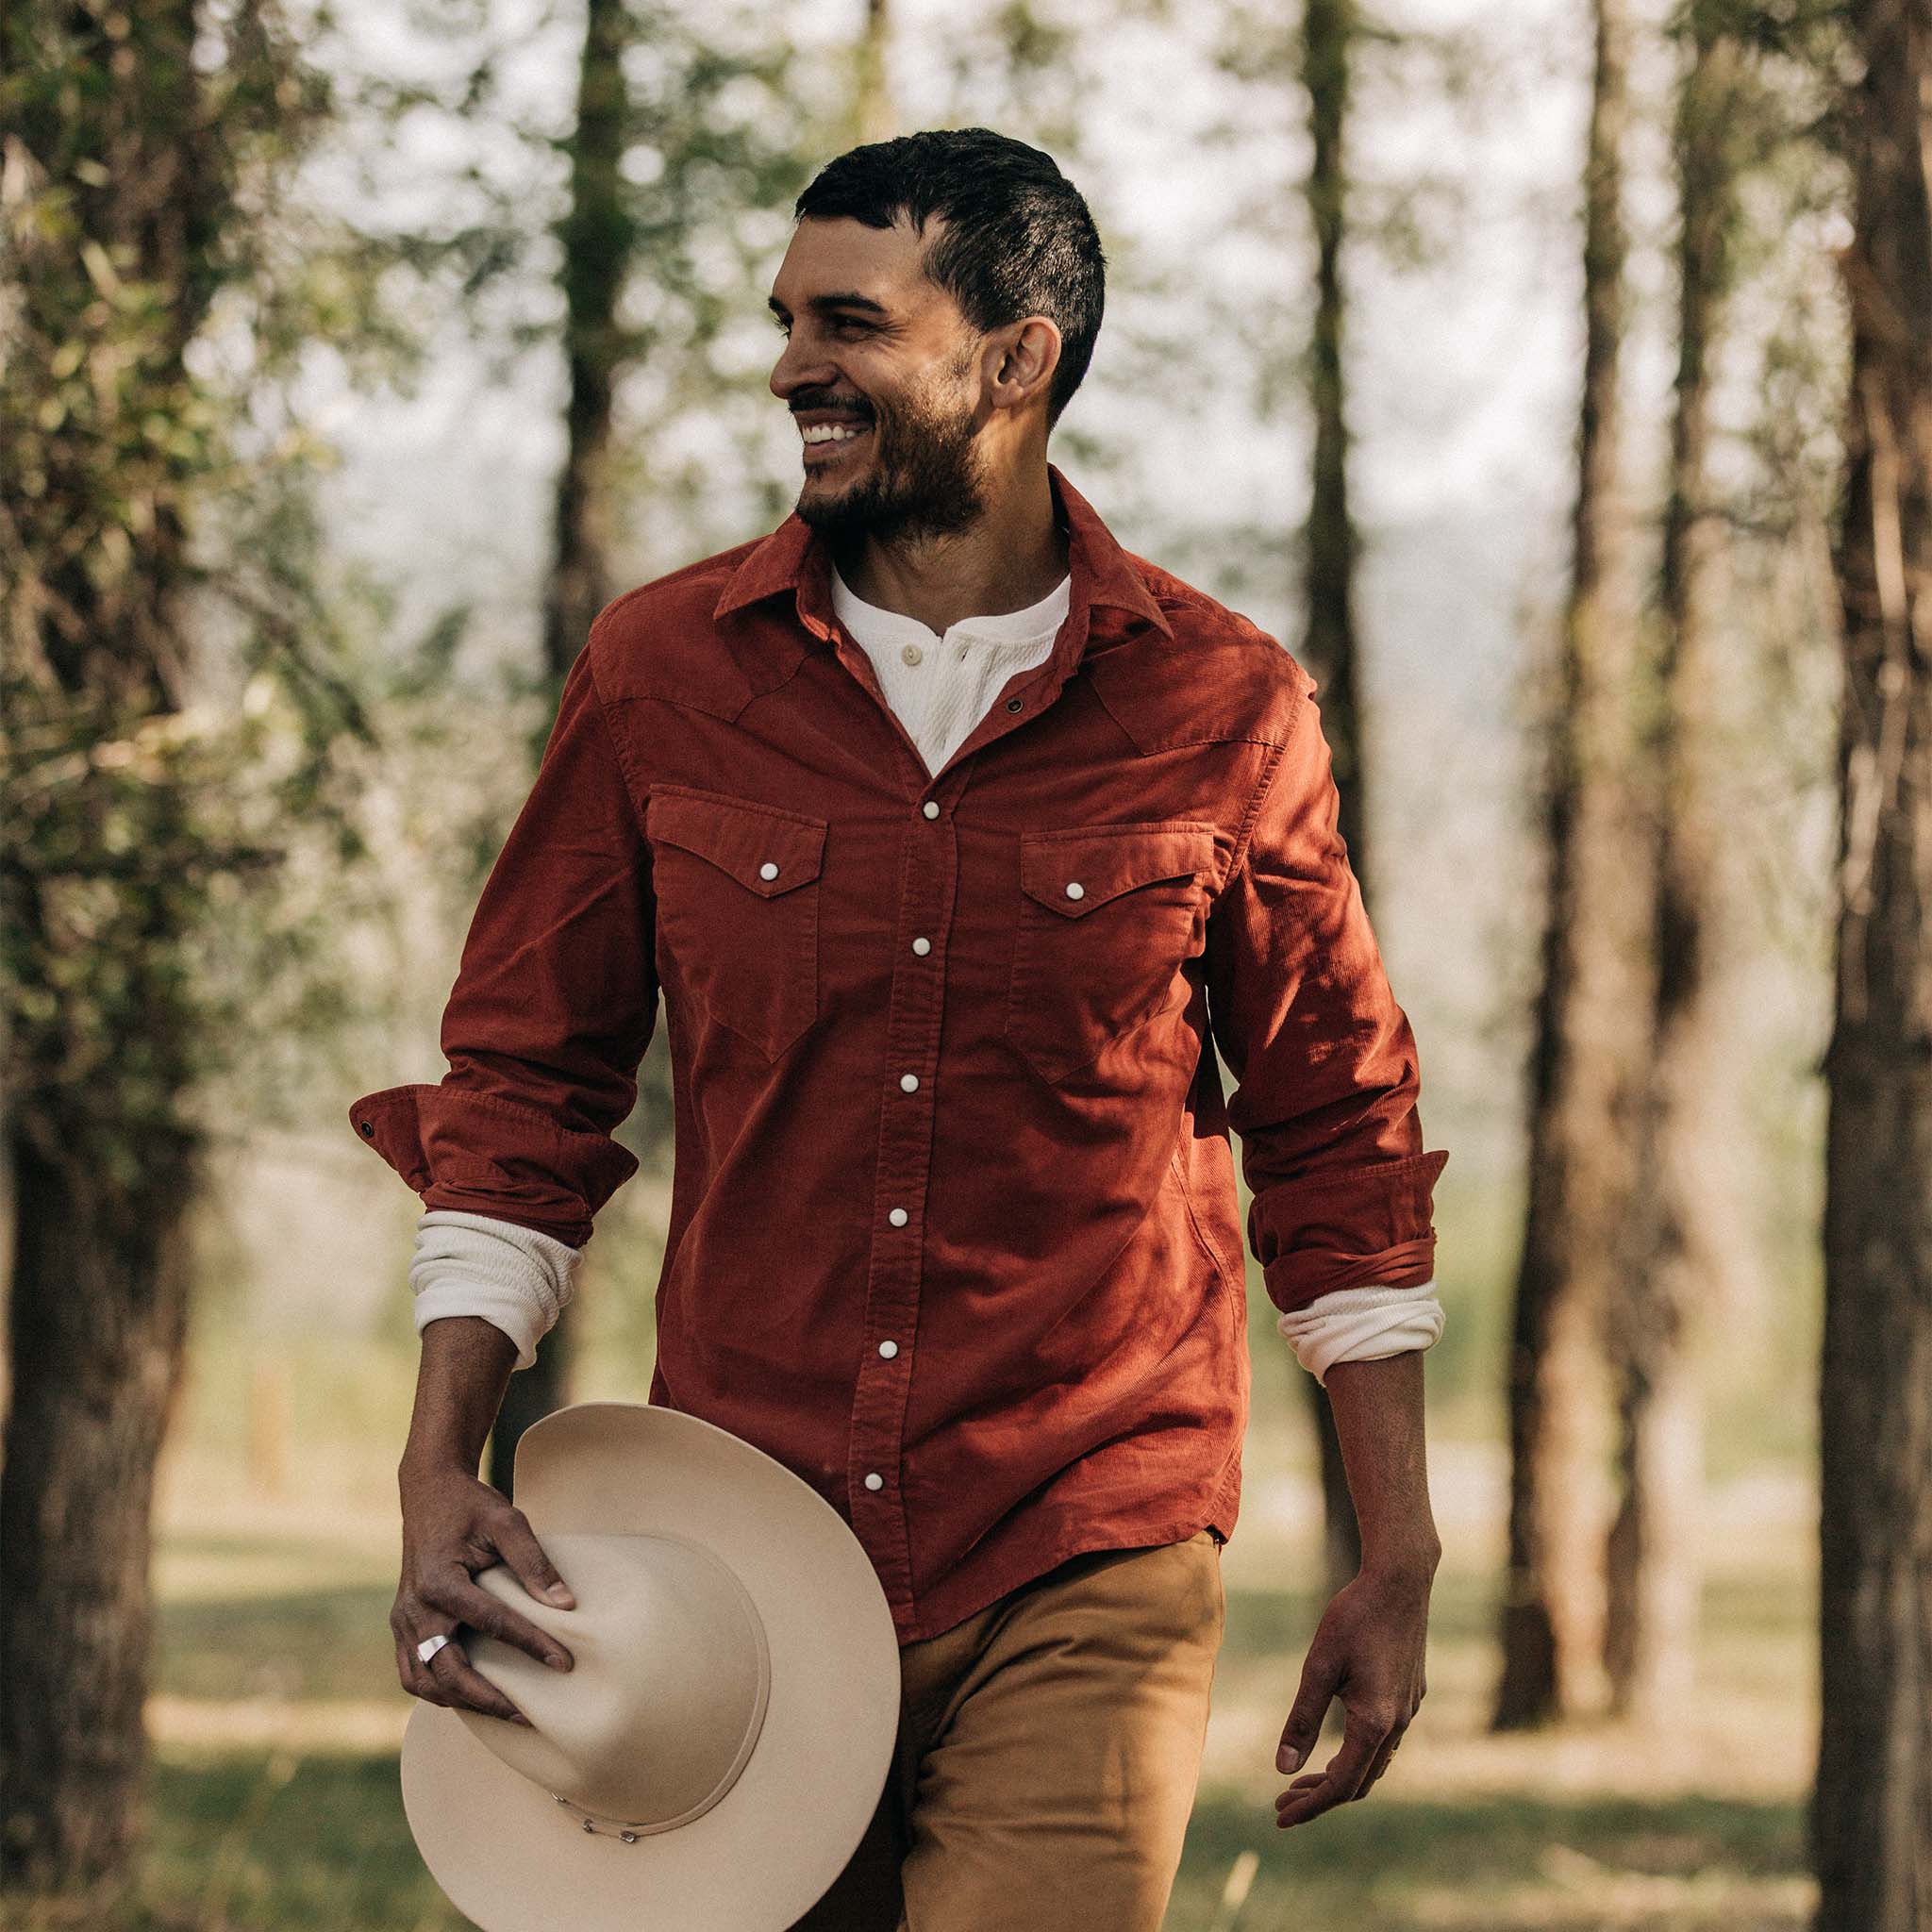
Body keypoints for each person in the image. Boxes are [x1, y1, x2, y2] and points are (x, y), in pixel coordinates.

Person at [353, 126, 1450, 1932]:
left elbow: (1340, 1133)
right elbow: (524, 1090)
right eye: (785, 320)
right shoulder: (660, 676)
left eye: (849, 322)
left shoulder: (1227, 707)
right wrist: (435, 1454)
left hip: (1089, 1528)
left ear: (1018, 360)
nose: (793, 366)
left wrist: (1394, 1543)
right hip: (739, 1547)